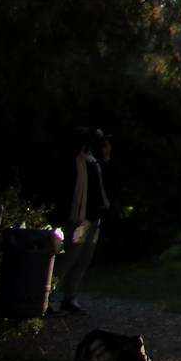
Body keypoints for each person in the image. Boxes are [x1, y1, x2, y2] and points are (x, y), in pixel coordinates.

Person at [48, 128, 110, 316]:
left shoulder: (93, 162)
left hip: (92, 218)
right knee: (69, 257)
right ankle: (49, 297)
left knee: (83, 259)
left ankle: (70, 296)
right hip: (80, 218)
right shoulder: (76, 161)